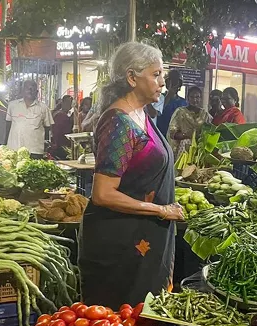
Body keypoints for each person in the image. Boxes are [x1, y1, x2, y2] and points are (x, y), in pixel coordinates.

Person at [78, 42, 184, 309]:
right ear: (131, 77)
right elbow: (102, 194)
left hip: (140, 240)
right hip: (119, 245)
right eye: (156, 74)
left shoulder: (141, 115)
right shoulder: (118, 123)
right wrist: (159, 209)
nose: (163, 82)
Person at [6, 80, 53, 158]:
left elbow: (48, 127)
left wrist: (45, 145)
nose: (30, 90)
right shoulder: (12, 106)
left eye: (33, 88)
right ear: (22, 91)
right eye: (27, 88)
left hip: (35, 151)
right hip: (14, 149)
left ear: (37, 92)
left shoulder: (43, 108)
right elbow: (8, 125)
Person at [167, 87, 212, 159]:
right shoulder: (180, 112)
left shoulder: (205, 114)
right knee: (186, 142)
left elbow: (210, 132)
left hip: (200, 149)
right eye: (192, 97)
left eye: (197, 97)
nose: (195, 100)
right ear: (187, 98)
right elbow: (172, 133)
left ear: (201, 98)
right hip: (184, 148)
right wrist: (187, 135)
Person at [156, 69, 188, 134]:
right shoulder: (158, 97)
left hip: (175, 138)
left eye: (176, 82)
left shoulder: (184, 102)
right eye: (171, 82)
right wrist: (169, 95)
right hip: (160, 135)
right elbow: (156, 113)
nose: (174, 84)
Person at [50, 95, 74, 159]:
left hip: (60, 144)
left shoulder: (65, 114)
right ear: (62, 103)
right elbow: (62, 132)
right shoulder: (60, 115)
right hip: (60, 145)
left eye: (70, 103)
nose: (69, 105)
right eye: (67, 103)